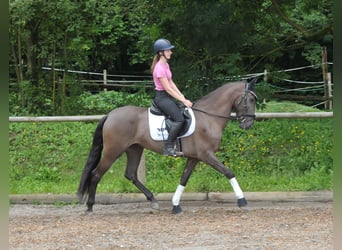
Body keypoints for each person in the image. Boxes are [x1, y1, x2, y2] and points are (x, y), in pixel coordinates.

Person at [151, 38, 193, 156]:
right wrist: (183, 100)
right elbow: (168, 89)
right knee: (179, 119)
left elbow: (171, 82)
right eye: (168, 50)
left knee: (183, 112)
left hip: (167, 97)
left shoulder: (166, 65)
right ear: (161, 53)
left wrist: (181, 95)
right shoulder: (159, 68)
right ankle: (168, 147)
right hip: (162, 98)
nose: (170, 52)